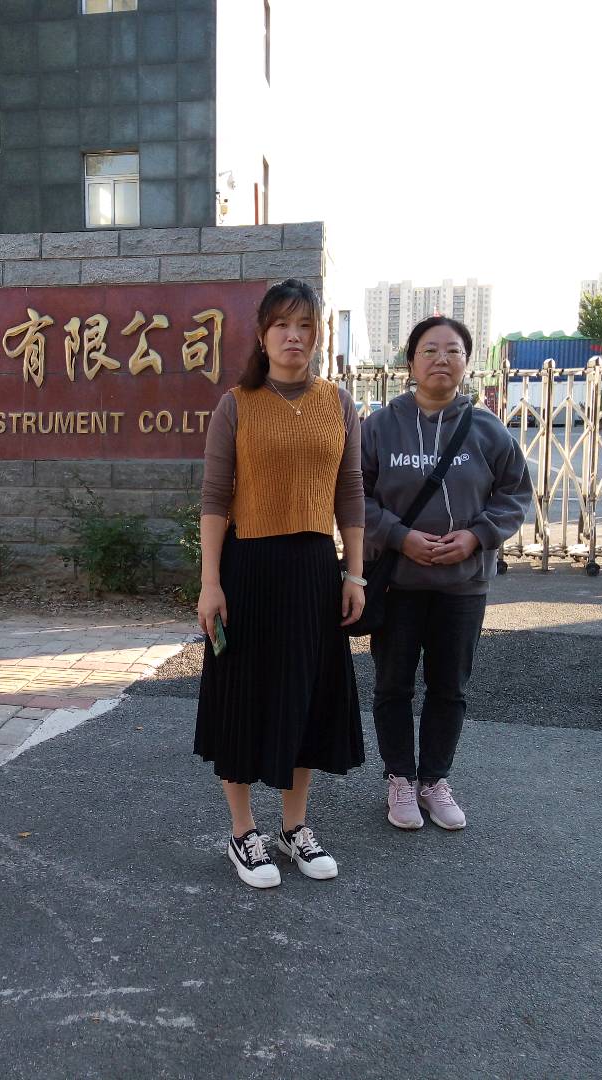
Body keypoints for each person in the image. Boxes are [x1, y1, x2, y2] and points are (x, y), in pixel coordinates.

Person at [194, 278, 366, 889]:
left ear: (318, 335)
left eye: (305, 326)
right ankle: (243, 833)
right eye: (282, 325)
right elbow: (215, 498)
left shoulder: (338, 403)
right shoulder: (236, 404)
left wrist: (354, 572)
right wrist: (210, 583)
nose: (294, 336)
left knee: (305, 696)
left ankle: (294, 827)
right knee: (243, 697)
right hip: (248, 569)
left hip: (315, 571)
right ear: (263, 335)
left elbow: (350, 492)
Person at [361, 316, 531, 831]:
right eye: (429, 350)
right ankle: (399, 778)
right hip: (397, 582)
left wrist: (477, 536)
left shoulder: (487, 429)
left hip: (463, 585)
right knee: (393, 685)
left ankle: (434, 780)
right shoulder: (379, 426)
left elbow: (515, 494)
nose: (441, 359)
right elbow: (353, 496)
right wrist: (400, 536)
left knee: (449, 687)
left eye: (452, 351)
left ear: (466, 362)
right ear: (410, 362)